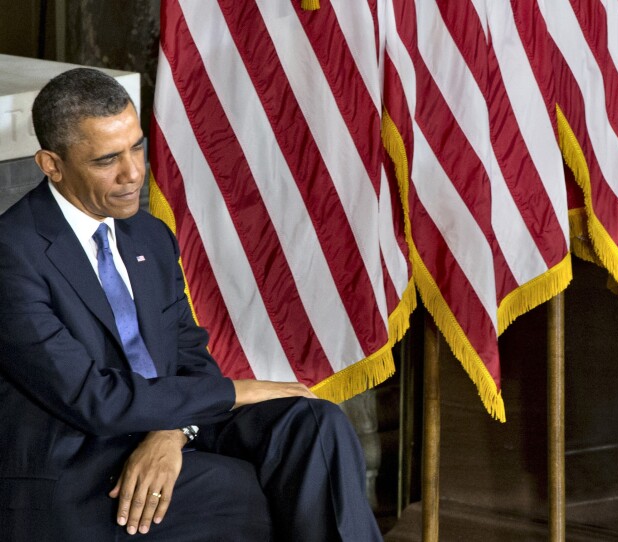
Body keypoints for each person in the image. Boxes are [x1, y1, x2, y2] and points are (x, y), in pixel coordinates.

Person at [0, 67, 383, 541]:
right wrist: (237, 391)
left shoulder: (150, 236)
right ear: (51, 165)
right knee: (251, 492)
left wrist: (172, 434)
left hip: (161, 433)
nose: (133, 173)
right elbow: (92, 398)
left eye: (137, 147)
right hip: (81, 469)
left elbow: (189, 359)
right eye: (106, 160)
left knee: (313, 425)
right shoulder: (13, 254)